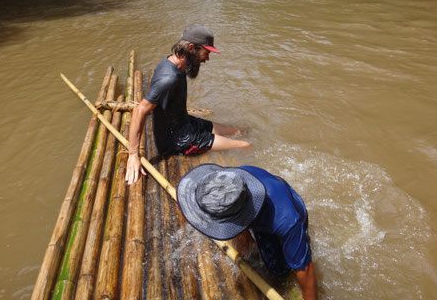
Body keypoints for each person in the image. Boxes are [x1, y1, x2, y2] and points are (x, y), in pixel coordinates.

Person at [126, 25, 250, 185]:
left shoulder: (173, 61)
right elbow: (140, 109)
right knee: (245, 145)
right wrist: (133, 155)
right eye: (207, 52)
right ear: (192, 48)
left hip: (185, 123)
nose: (207, 59)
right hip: (182, 141)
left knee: (238, 131)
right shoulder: (168, 78)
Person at [177, 163, 319, 300]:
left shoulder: (287, 222)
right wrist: (241, 232)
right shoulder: (231, 181)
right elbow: (233, 204)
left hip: (283, 210)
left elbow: (305, 269)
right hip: (262, 207)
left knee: (280, 271)